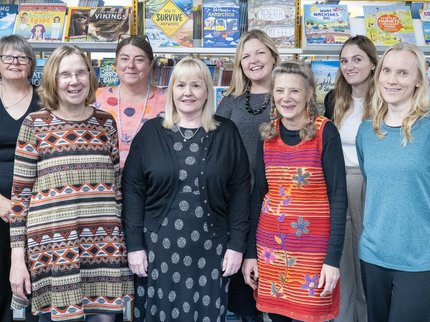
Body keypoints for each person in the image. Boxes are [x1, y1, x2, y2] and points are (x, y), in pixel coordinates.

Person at [8, 45, 133, 322]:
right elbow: (20, 198)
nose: (74, 81)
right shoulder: (35, 123)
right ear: (53, 79)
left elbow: (117, 190)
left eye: (80, 73)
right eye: (65, 74)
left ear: (90, 77)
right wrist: (18, 260)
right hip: (54, 254)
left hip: (103, 251)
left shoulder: (105, 124)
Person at [122, 57, 250, 321]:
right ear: (171, 91)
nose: (188, 93)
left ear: (207, 92)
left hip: (213, 248)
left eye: (196, 85)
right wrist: (134, 246)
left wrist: (237, 246)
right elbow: (133, 191)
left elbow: (240, 192)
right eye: (180, 85)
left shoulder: (227, 133)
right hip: (158, 249)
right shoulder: (150, 133)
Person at [243, 60, 347, 322]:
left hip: (314, 255)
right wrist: (250, 255)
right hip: (271, 253)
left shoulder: (326, 132)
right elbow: (258, 196)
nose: (286, 98)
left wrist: (332, 261)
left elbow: (338, 198)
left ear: (309, 94)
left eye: (294, 91)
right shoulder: (266, 135)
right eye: (279, 91)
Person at [356, 43, 430, 322]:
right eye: (386, 70)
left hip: (420, 260)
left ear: (418, 80)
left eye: (402, 73)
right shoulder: (367, 131)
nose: (391, 79)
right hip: (373, 256)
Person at [216, 29, 280, 322]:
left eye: (259, 53)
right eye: (245, 56)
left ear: (273, 55)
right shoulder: (229, 102)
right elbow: (214, 151)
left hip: (280, 205)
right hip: (236, 206)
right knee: (244, 296)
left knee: (280, 292)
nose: (253, 61)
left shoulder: (289, 95)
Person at [324, 35, 377, 322]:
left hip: (369, 184)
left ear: (372, 63)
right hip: (337, 184)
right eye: (344, 61)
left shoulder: (383, 99)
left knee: (366, 258)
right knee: (340, 259)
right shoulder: (335, 99)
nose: (349, 66)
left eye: (357, 59)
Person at [0, 35, 39, 322]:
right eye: (8, 57)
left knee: (30, 284)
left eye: (22, 58)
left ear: (31, 64)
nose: (15, 62)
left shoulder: (46, 100)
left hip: (36, 209)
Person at [96, 34, 166, 168]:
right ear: (116, 63)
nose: (131, 65)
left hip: (151, 185)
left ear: (150, 64)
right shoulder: (96, 98)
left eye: (139, 60)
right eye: (124, 59)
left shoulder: (168, 99)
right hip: (105, 182)